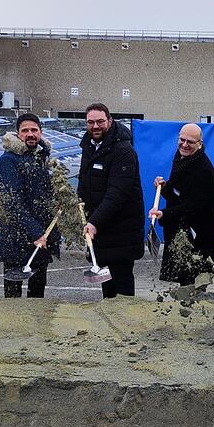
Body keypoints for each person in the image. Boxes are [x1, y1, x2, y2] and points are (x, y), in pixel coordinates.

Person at [76, 103, 144, 298]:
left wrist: (94, 222)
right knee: (107, 286)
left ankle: (126, 325)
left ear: (110, 121)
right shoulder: (88, 146)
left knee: (122, 288)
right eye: (90, 122)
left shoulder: (124, 150)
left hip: (121, 231)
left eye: (100, 122)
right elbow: (84, 180)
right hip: (101, 230)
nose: (95, 126)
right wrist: (79, 201)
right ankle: (110, 323)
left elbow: (117, 192)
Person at [0, 113, 60, 298]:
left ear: (40, 132)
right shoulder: (7, 160)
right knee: (13, 296)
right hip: (16, 238)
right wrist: (36, 231)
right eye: (25, 130)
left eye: (34, 130)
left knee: (37, 292)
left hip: (41, 238)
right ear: (18, 134)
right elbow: (12, 203)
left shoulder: (41, 157)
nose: (30, 134)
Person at [149, 123, 214, 285]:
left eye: (190, 142)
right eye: (182, 140)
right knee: (183, 282)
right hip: (182, 232)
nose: (185, 145)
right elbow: (178, 193)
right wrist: (165, 187)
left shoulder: (204, 170)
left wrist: (164, 214)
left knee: (193, 285)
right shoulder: (182, 158)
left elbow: (194, 205)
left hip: (198, 237)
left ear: (200, 144)